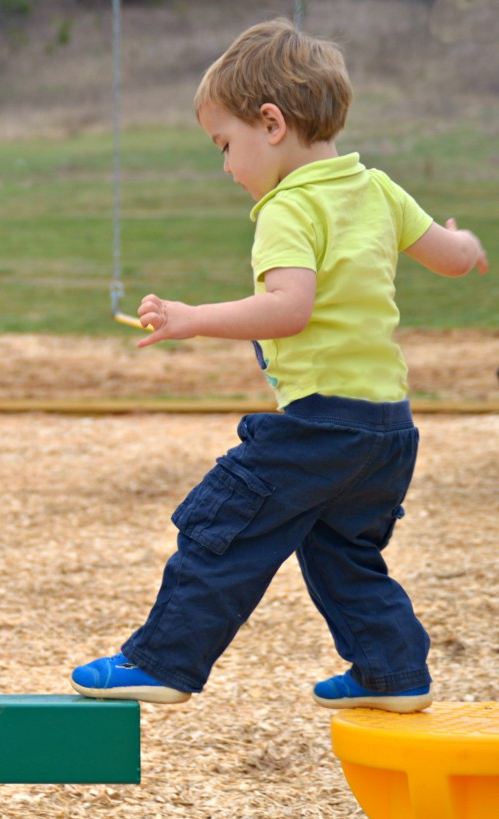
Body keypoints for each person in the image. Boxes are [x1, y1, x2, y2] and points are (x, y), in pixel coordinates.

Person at [71, 18, 488, 713]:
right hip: (387, 429)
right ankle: (393, 672)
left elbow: (289, 307)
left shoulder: (287, 208)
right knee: (341, 550)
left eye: (224, 144)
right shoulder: (376, 188)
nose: (226, 166)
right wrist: (466, 240)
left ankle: (161, 661)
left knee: (222, 524)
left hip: (321, 424)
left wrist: (193, 318)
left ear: (271, 124)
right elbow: (450, 258)